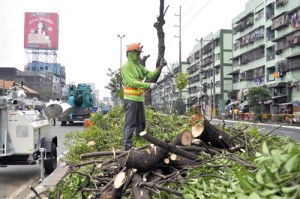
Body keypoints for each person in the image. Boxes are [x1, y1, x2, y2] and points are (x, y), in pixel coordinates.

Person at [121, 43, 167, 151]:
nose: (139, 55)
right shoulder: (126, 67)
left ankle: (139, 140)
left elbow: (150, 75)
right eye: (138, 53)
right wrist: (148, 85)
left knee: (142, 122)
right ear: (132, 53)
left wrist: (160, 66)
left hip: (139, 99)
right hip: (130, 99)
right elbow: (132, 82)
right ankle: (127, 146)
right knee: (130, 123)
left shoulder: (138, 66)